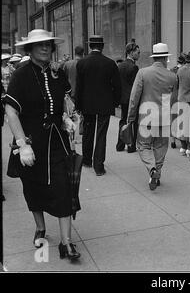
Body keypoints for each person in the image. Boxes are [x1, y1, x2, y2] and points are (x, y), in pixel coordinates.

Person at [3, 29, 80, 260]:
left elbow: (67, 101)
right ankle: (40, 227)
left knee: (64, 189)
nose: (45, 48)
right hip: (31, 142)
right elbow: (11, 110)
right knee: (33, 188)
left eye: (48, 44)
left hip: (57, 142)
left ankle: (66, 243)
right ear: (30, 49)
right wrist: (21, 144)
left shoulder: (58, 73)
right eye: (40, 45)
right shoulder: (21, 75)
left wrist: (68, 117)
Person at [127, 43, 177, 191]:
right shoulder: (172, 76)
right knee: (161, 146)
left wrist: (131, 117)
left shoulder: (143, 73)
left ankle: (152, 169)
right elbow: (174, 101)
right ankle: (157, 173)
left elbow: (134, 97)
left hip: (146, 117)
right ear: (166, 58)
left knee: (143, 146)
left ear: (154, 57)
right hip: (164, 118)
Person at [75, 35, 121, 176]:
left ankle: (87, 160)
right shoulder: (110, 63)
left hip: (87, 104)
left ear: (90, 46)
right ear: (102, 46)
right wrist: (115, 102)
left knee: (88, 132)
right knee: (101, 135)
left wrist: (78, 105)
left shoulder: (82, 63)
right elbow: (117, 86)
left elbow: (79, 87)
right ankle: (99, 166)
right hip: (104, 104)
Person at [116, 42, 140, 153]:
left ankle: (120, 145)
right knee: (132, 122)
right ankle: (131, 146)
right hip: (131, 98)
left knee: (123, 120)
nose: (139, 54)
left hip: (123, 98)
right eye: (137, 52)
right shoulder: (134, 67)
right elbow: (135, 86)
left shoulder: (120, 66)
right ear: (131, 52)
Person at [175, 50, 190, 161]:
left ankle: (183, 147)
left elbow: (177, 84)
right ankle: (189, 147)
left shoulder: (180, 70)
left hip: (181, 98)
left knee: (182, 124)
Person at [170, 54, 186, 150]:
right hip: (182, 96)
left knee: (173, 118)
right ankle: (182, 140)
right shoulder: (184, 71)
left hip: (173, 95)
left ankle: (172, 140)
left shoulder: (172, 70)